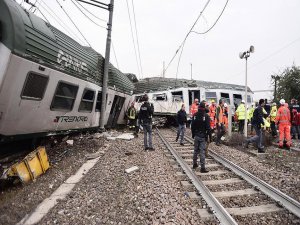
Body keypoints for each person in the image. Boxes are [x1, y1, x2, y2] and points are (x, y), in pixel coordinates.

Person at [191, 102, 211, 173]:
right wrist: (210, 137)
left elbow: (192, 126)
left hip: (196, 135)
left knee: (195, 150)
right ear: (204, 107)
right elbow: (208, 128)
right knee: (202, 151)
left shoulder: (195, 115)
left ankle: (194, 164)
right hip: (203, 136)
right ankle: (202, 168)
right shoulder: (206, 116)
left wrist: (193, 134)